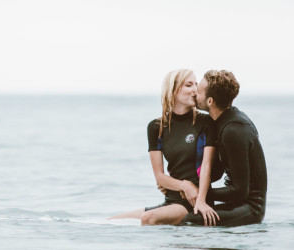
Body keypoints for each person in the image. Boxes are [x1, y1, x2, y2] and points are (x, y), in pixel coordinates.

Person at [108, 69, 221, 226]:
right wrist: (183, 185)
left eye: (196, 84)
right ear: (173, 90)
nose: (195, 89)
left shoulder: (206, 123)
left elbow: (207, 165)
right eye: (189, 85)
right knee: (110, 221)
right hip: (170, 201)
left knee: (148, 218)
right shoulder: (156, 127)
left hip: (193, 202)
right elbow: (159, 177)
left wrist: (200, 198)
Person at [180, 70, 267, 227]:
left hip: (250, 209)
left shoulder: (233, 130)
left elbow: (241, 191)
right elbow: (216, 172)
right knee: (184, 212)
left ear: (210, 101)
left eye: (198, 91)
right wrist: (182, 184)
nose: (194, 92)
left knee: (190, 221)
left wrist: (199, 193)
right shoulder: (222, 122)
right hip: (237, 203)